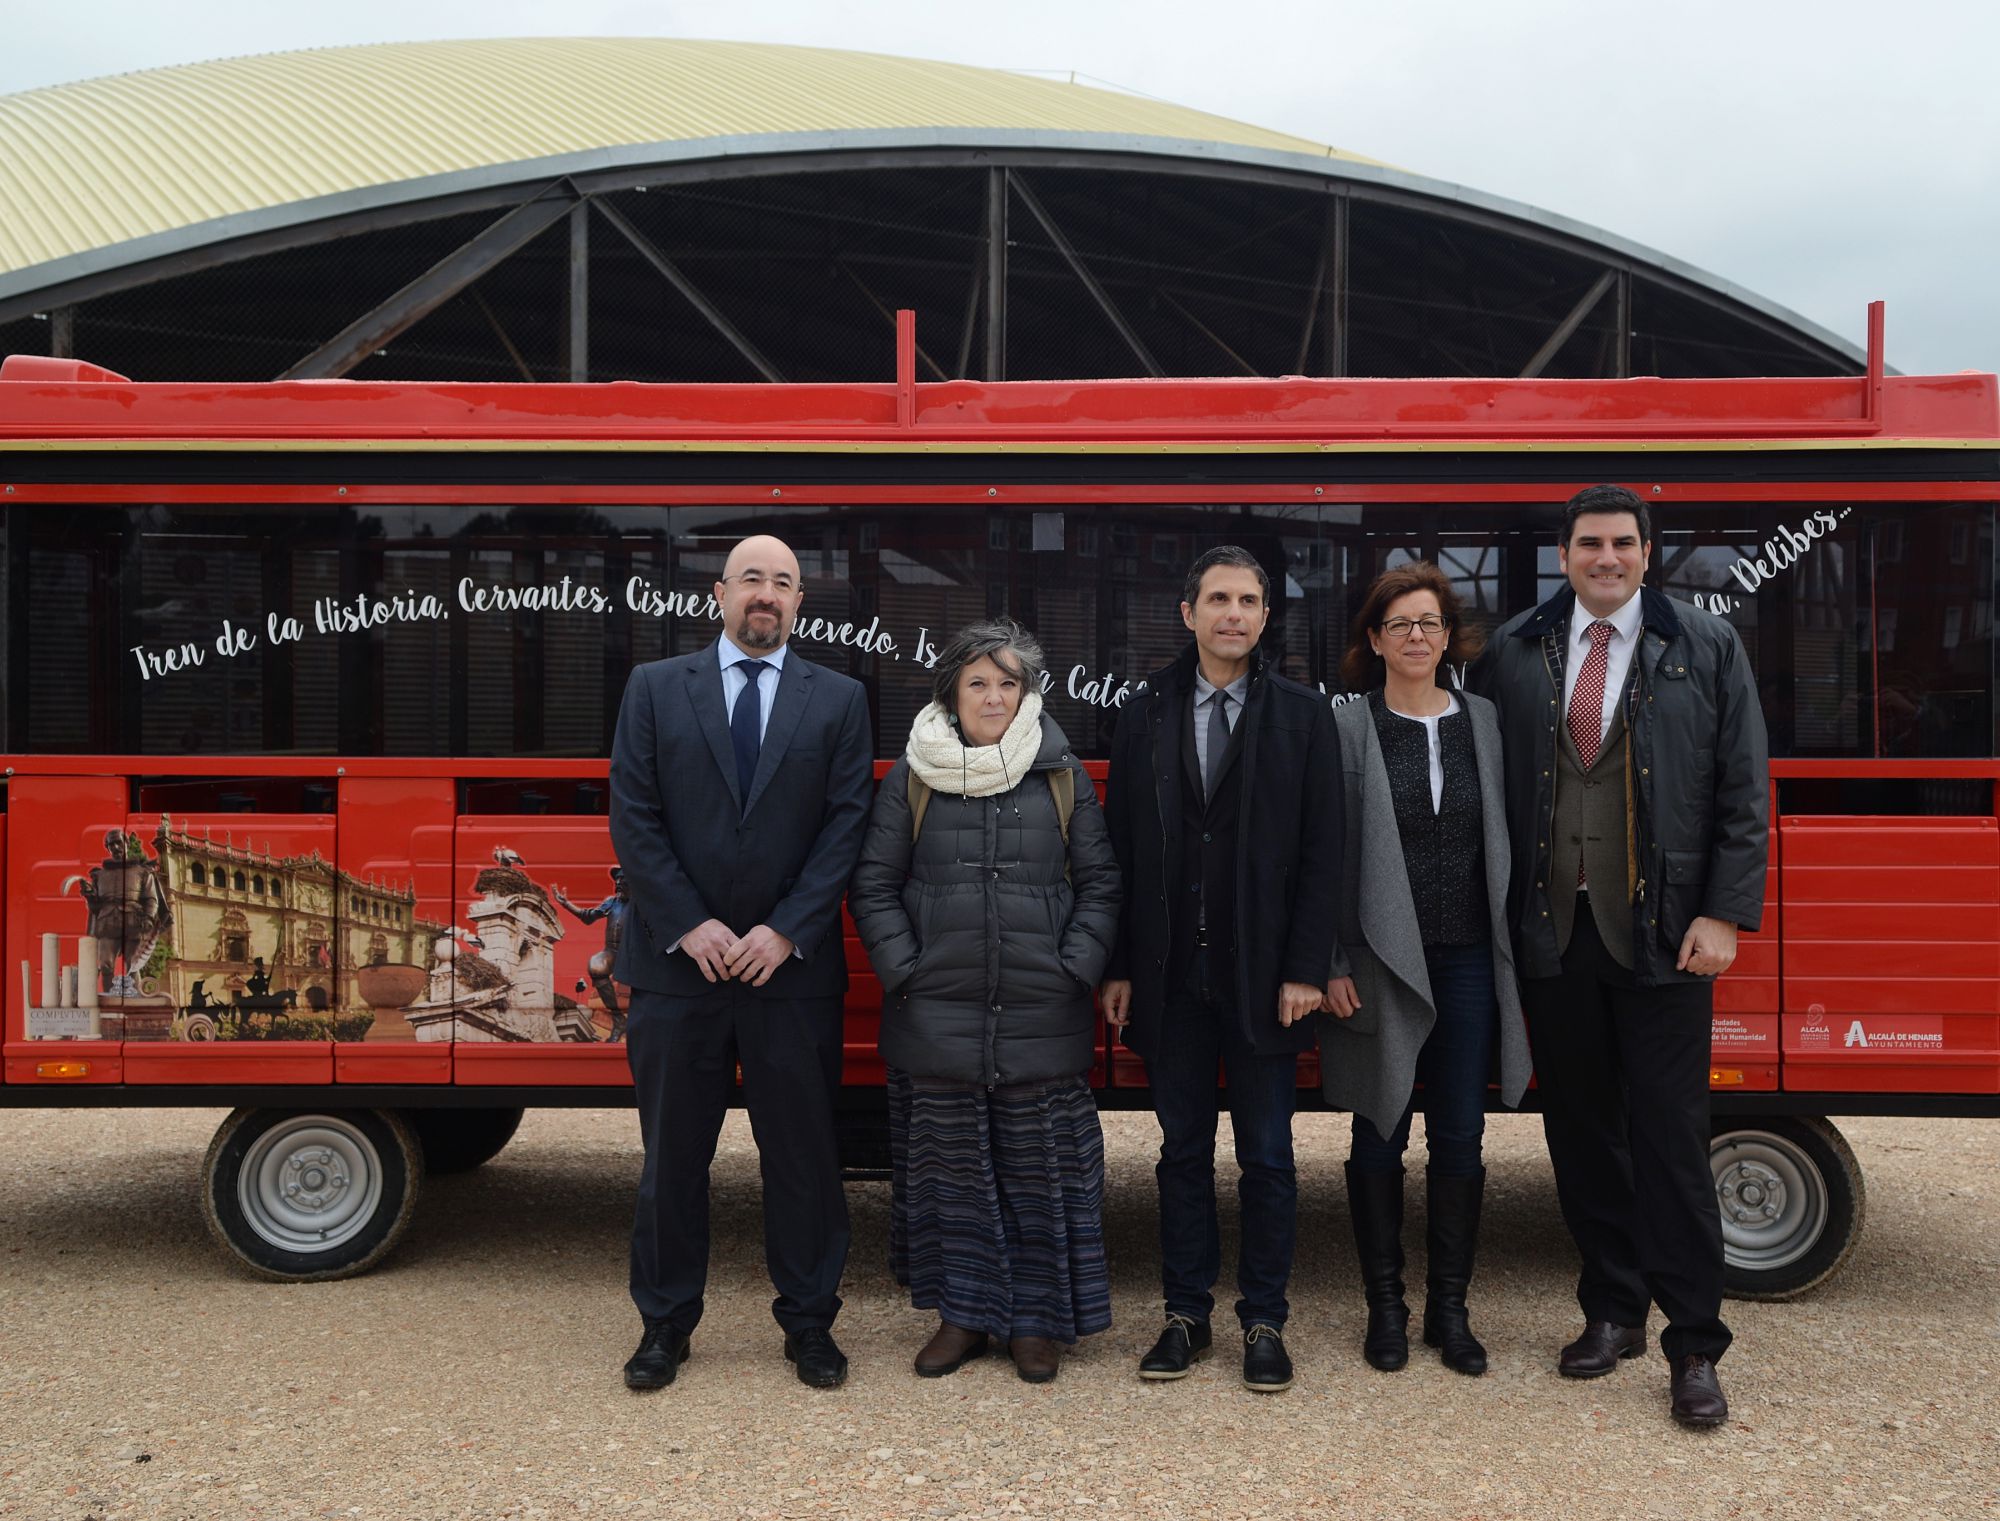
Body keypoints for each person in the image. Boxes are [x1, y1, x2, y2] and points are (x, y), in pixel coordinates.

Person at [1468, 485, 1769, 1428]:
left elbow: (1742, 791)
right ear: (1565, 552)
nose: (1607, 557)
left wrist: (1723, 914)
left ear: (1649, 553)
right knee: (1582, 1135)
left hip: (1665, 940)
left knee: (1673, 1141)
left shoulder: (1705, 644)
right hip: (1553, 934)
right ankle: (1611, 1310)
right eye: (1590, 541)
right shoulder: (1513, 650)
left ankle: (1694, 1346)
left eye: (1623, 543)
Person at [608, 534, 874, 1392]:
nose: (768, 593)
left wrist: (787, 929)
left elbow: (846, 825)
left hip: (789, 974)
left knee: (801, 1157)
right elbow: (634, 815)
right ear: (718, 593)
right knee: (671, 1159)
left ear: (802, 601)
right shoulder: (655, 688)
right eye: (752, 578)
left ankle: (809, 1325)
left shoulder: (838, 698)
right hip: (675, 969)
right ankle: (664, 1325)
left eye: (785, 582)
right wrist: (690, 925)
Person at [849, 620, 1122, 1384]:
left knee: (1043, 1173)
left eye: (1009, 681)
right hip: (936, 1012)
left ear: (1027, 692)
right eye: (978, 682)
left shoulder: (1062, 773)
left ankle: (1037, 1323)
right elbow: (872, 884)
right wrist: (909, 969)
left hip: (1044, 1008)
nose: (994, 695)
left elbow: (1102, 883)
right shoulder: (911, 776)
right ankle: (963, 1314)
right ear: (951, 694)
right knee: (953, 1176)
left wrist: (1074, 967)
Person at [1101, 545, 1343, 1393]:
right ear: (1188, 612)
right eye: (1218, 599)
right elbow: (1121, 848)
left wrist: (1307, 967)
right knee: (1181, 1155)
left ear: (1266, 617)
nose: (1233, 613)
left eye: (1248, 600)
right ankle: (1185, 1316)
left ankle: (1265, 1320)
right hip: (1171, 978)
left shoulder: (1304, 716)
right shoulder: (1144, 711)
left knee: (1270, 1157)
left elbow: (1324, 854)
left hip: (1267, 981)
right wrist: (1121, 963)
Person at [1320, 562, 1531, 1377]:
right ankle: (1385, 1306)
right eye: (1400, 624)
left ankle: (1450, 1309)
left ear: (1451, 638)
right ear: (1374, 640)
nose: (1417, 637)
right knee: (1378, 1128)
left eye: (1431, 624)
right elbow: (1324, 855)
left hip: (1472, 957)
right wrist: (1331, 957)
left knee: (1461, 1138)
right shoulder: (1347, 727)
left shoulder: (1483, 719)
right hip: (1378, 961)